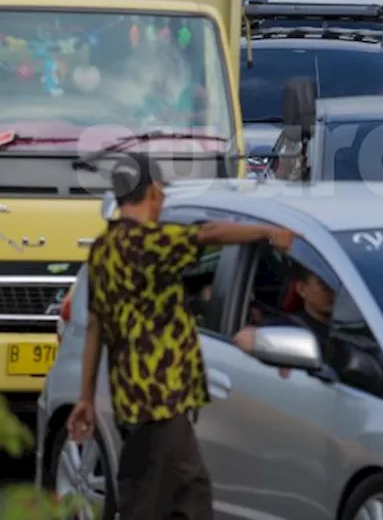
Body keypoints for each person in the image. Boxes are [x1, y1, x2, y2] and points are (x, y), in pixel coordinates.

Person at [66, 153, 298, 520]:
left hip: (134, 400)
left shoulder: (103, 249)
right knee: (163, 502)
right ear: (154, 192)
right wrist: (269, 233)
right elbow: (207, 233)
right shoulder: (152, 243)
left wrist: (85, 396)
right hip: (160, 399)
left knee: (185, 496)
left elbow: (95, 325)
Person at [234, 264, 335, 378]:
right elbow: (243, 337)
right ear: (301, 289)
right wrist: (283, 356)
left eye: (334, 283)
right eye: (323, 284)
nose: (331, 290)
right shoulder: (286, 326)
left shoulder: (352, 326)